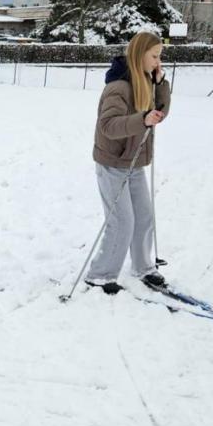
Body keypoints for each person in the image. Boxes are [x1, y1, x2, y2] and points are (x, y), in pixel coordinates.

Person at [84, 31, 172, 295]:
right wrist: (142, 120)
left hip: (134, 163)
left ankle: (144, 267)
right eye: (154, 56)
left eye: (160, 57)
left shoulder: (145, 81)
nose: (158, 62)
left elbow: (158, 112)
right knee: (122, 221)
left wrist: (161, 83)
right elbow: (109, 126)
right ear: (139, 55)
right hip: (113, 163)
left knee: (144, 216)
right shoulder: (118, 87)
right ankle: (100, 274)